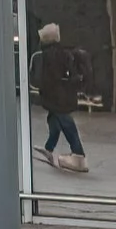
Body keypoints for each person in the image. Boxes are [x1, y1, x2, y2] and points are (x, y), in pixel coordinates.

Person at [30, 22, 92, 174]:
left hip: (58, 97)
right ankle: (49, 149)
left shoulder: (50, 55)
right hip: (62, 96)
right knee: (54, 120)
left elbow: (50, 78)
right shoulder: (62, 52)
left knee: (66, 122)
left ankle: (79, 155)